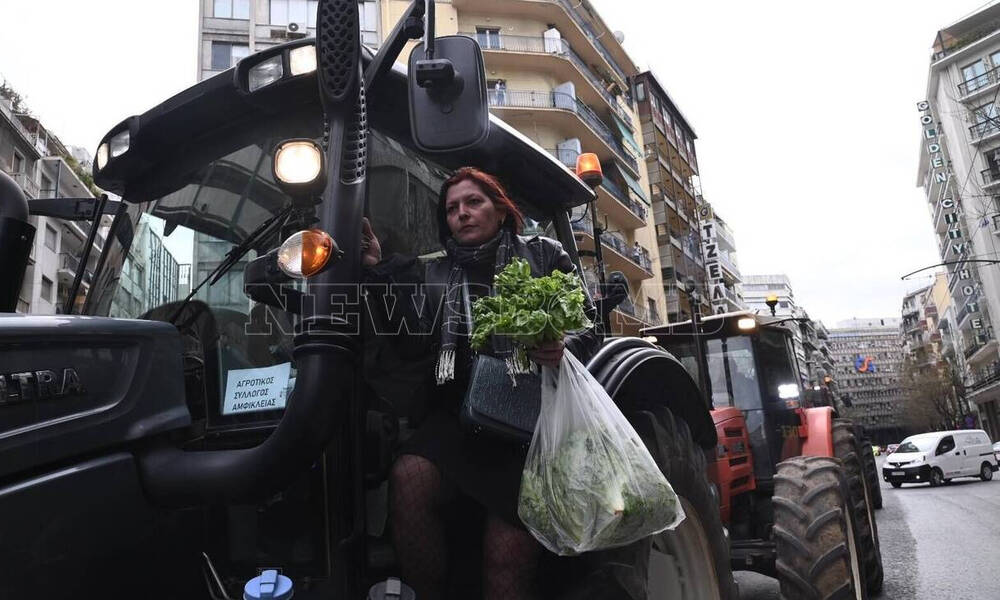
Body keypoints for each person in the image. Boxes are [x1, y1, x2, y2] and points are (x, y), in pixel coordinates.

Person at [361, 167, 598, 600]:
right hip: (460, 419)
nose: (462, 214)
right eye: (452, 208)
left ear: (501, 208)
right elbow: (412, 343)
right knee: (408, 476)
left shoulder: (544, 254)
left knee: (506, 554)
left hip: (529, 426)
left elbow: (586, 322)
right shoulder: (434, 274)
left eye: (474, 202)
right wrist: (378, 271)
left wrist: (564, 344)